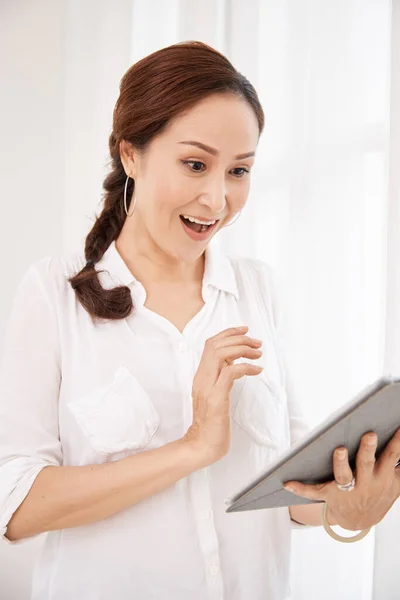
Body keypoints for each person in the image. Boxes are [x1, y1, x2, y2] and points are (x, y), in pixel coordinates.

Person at [1, 40, 399, 600]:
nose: (217, 198)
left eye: (239, 170)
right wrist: (193, 447)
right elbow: (16, 505)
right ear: (130, 155)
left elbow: (285, 491)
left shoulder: (258, 290)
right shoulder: (52, 293)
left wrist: (348, 508)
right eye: (195, 164)